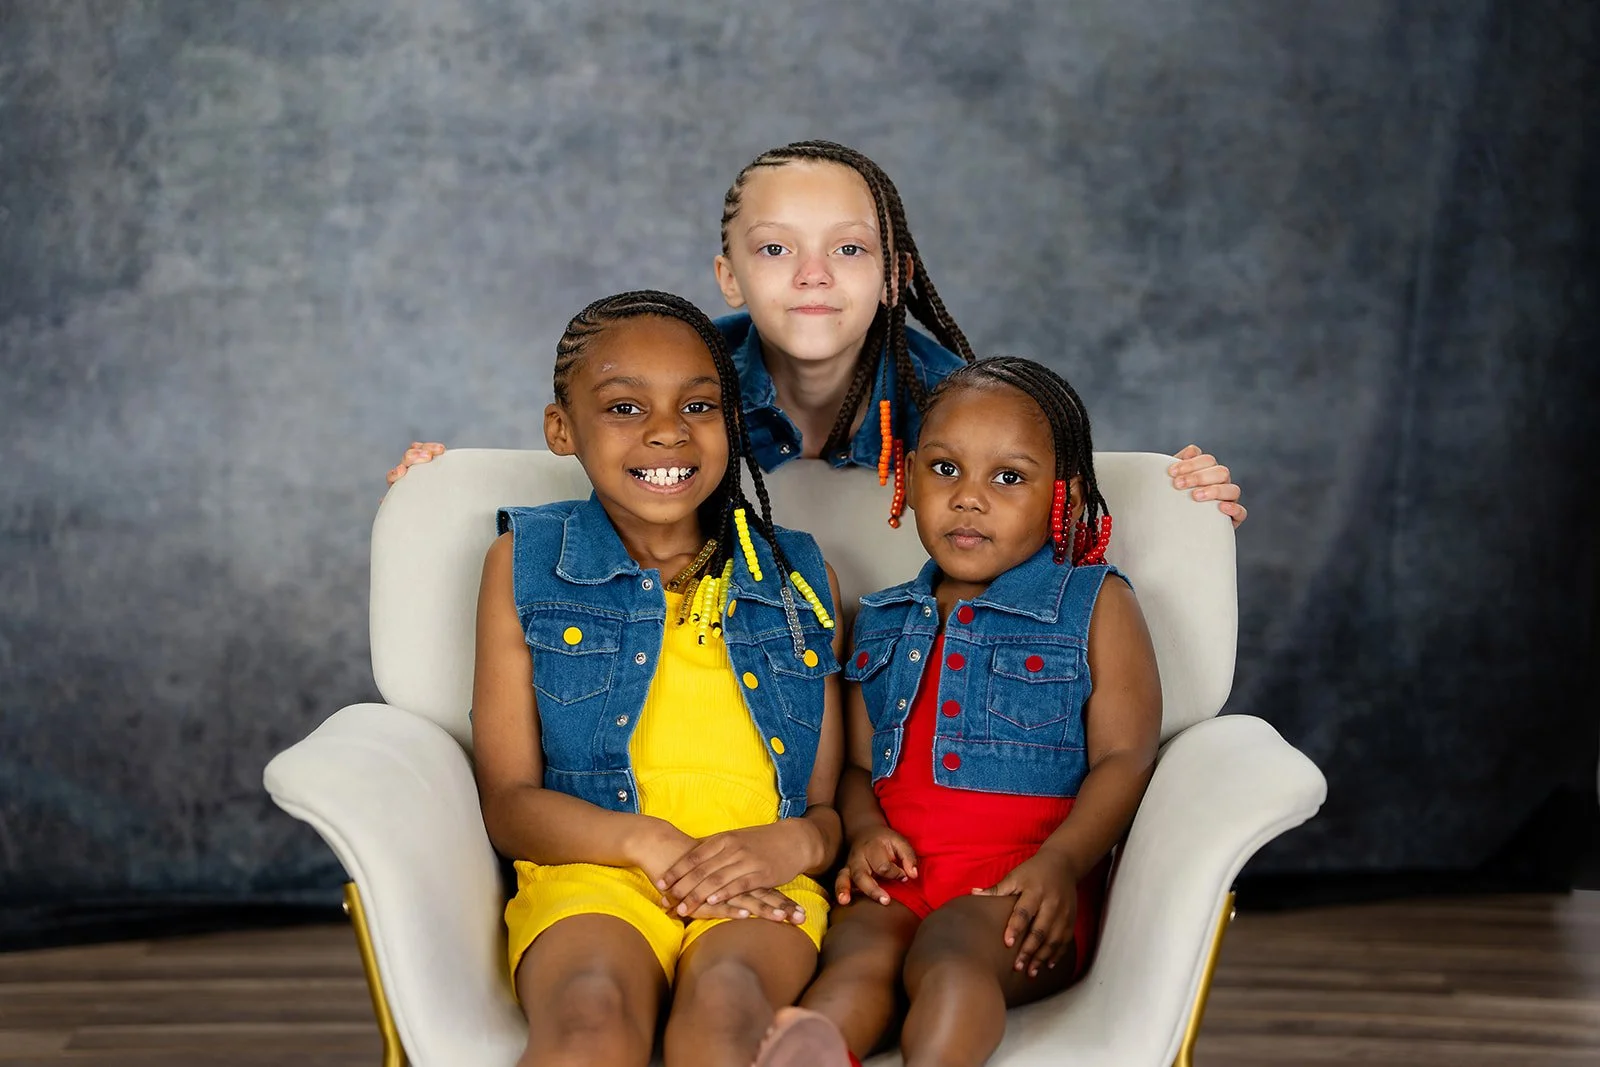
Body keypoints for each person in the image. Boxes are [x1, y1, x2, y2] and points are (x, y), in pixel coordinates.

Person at [386, 141, 1247, 526]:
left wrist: (1178, 498)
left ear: (895, 276)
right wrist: (446, 482)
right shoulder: (687, 371)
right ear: (729, 277)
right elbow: (605, 457)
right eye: (775, 249)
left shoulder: (954, 399)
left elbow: (1051, 505)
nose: (812, 275)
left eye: (849, 248)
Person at [470, 290, 852, 1066]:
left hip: (755, 879)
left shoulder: (798, 580)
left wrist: (797, 843)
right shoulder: (527, 563)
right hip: (595, 871)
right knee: (590, 1011)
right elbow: (508, 804)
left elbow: (823, 805)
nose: (668, 429)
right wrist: (647, 841)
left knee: (727, 1004)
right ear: (561, 428)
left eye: (699, 405)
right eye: (624, 407)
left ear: (732, 421)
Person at [751, 357, 1163, 1067]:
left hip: (1023, 883)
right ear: (909, 478)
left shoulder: (1093, 602)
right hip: (902, 876)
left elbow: (1125, 757)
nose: (969, 499)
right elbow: (858, 768)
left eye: (1008, 478)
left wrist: (1063, 864)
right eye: (945, 470)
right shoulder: (880, 618)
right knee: (856, 955)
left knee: (949, 952)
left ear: (1061, 498)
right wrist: (866, 830)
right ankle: (813, 1050)